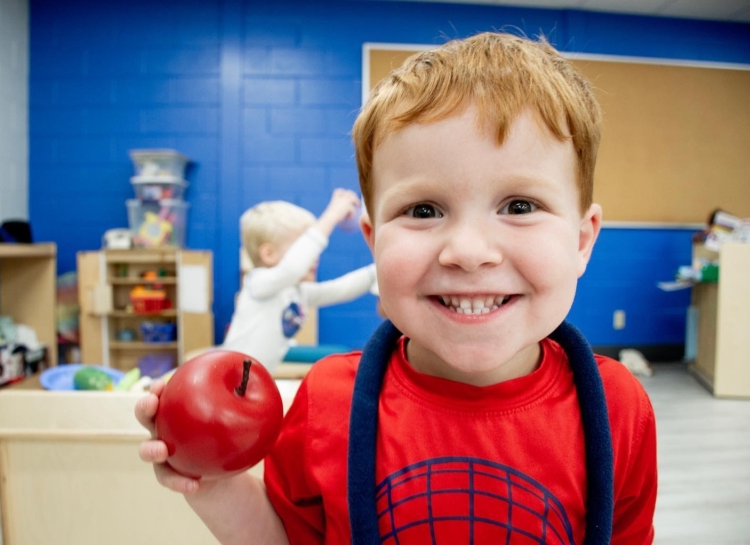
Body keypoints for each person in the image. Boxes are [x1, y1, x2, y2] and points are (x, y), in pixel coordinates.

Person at [136, 31, 657, 544]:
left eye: (519, 206)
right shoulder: (325, 405)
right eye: (423, 210)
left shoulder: (620, 410)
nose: (468, 251)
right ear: (373, 241)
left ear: (582, 240)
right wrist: (218, 486)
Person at [220, 189, 376, 374]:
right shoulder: (258, 283)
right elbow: (292, 268)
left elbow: (341, 289)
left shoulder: (297, 292)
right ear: (269, 254)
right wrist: (332, 215)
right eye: (303, 247)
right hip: (229, 374)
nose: (313, 255)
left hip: (254, 377)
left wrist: (377, 270)